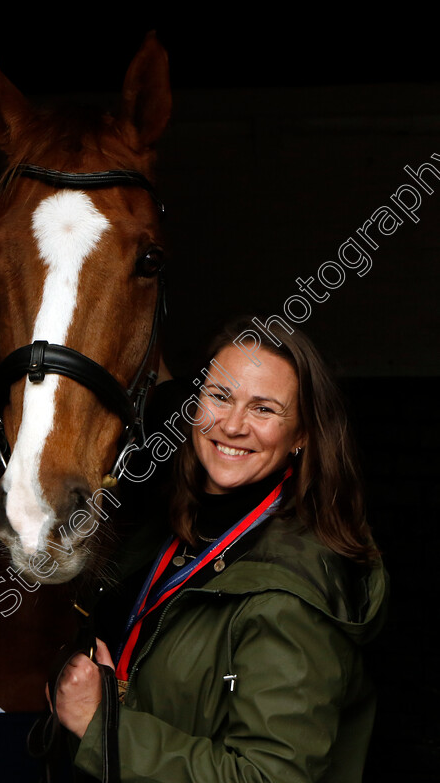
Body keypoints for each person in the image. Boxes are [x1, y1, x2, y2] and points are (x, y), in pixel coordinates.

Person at [53, 316, 388, 783]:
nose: (232, 425)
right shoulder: (182, 518)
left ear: (303, 435)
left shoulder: (289, 598)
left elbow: (269, 777)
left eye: (264, 409)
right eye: (220, 396)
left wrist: (102, 728)